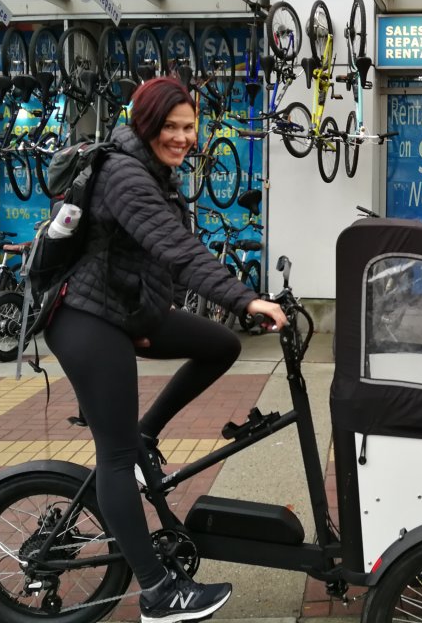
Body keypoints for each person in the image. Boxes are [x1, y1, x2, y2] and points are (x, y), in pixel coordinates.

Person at [44, 76, 287, 623]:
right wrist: (247, 300)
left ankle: (145, 435)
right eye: (170, 127)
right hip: (85, 320)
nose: (182, 138)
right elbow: (177, 251)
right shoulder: (126, 175)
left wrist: (150, 317)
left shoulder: (154, 170)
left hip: (123, 312)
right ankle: (158, 592)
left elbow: (150, 258)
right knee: (115, 454)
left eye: (189, 127)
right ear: (144, 124)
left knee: (219, 346)